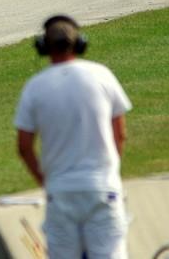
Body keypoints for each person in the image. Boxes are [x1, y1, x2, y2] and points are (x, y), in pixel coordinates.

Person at [15, 15, 132, 259]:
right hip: (103, 189)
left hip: (61, 192)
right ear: (79, 43)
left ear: (43, 46)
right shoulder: (102, 75)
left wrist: (46, 181)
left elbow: (24, 147)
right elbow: (120, 134)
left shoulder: (35, 87)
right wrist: (109, 172)